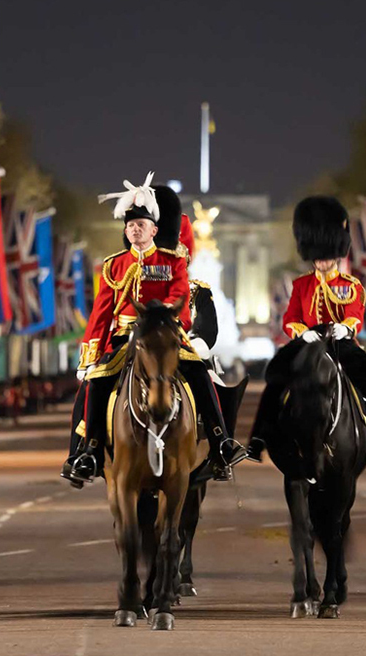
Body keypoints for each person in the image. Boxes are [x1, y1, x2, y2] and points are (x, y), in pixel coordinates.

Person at [60, 174, 245, 487]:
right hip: (123, 338)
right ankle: (86, 450)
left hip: (164, 334)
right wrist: (90, 355)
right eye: (130, 225)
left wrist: (170, 321)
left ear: (154, 230)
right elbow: (101, 314)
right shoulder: (113, 265)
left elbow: (181, 299)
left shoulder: (171, 262)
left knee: (200, 375)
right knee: (94, 385)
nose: (135, 229)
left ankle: (220, 441)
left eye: (141, 224)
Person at [246, 196, 366, 468]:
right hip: (307, 342)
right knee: (275, 378)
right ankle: (259, 438)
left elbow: (356, 315)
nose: (322, 263)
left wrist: (345, 328)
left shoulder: (352, 284)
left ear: (336, 254)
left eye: (326, 258)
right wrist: (302, 332)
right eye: (318, 258)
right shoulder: (301, 284)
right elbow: (290, 318)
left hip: (339, 343)